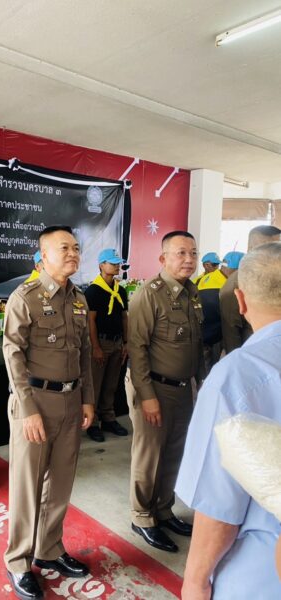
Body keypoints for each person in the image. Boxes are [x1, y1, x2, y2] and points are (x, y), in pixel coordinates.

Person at [176, 242, 281, 599]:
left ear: (241, 301)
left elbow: (218, 506)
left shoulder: (236, 376)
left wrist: (195, 580)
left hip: (261, 574)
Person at [3, 225, 94, 600]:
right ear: (43, 255)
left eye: (76, 247)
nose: (73, 253)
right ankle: (18, 560)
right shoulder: (25, 297)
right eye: (64, 248)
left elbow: (84, 352)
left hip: (71, 401)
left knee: (60, 484)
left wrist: (87, 398)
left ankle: (49, 549)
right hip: (36, 402)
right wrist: (27, 409)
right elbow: (12, 354)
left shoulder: (78, 298)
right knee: (27, 486)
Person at [127, 231, 204, 553]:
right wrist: (147, 396)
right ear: (163, 258)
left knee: (173, 453)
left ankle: (163, 509)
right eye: (181, 253)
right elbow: (137, 349)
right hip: (154, 388)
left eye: (193, 253)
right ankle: (142, 516)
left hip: (183, 389)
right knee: (149, 456)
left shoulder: (191, 293)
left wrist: (200, 384)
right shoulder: (149, 294)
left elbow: (196, 345)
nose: (189, 259)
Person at [84, 248, 128, 442]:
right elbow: (90, 321)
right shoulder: (93, 291)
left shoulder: (120, 290)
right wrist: (96, 347)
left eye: (118, 263)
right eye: (112, 263)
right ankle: (92, 423)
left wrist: (126, 342)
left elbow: (124, 317)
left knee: (111, 384)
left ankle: (108, 418)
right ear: (101, 265)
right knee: (96, 384)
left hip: (117, 342)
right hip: (100, 342)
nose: (117, 266)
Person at [220, 225, 281, 354]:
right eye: (267, 248)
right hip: (257, 354)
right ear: (250, 249)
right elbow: (231, 334)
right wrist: (240, 361)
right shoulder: (235, 284)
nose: (276, 253)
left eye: (277, 247)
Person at [197, 251, 244, 373]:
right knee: (209, 372)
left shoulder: (204, 278)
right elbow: (230, 324)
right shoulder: (227, 286)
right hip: (211, 338)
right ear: (236, 270)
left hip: (199, 335)